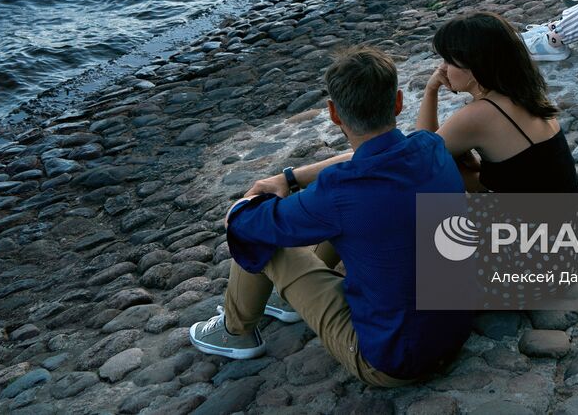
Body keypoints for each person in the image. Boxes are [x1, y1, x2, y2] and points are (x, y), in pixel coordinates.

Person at [190, 47, 471, 384]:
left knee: (259, 230)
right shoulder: (431, 147)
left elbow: (244, 224)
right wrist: (290, 177)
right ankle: (285, 300)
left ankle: (234, 332)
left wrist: (244, 204)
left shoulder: (340, 192)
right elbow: (368, 158)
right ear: (397, 102)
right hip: (455, 331)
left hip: (393, 362)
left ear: (334, 114)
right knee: (358, 222)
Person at [419, 13, 578, 193]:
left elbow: (421, 159)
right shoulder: (522, 95)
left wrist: (430, 91)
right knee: (446, 160)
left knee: (426, 188)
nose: (442, 68)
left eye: (448, 60)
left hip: (539, 219)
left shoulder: (480, 114)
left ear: (474, 65)